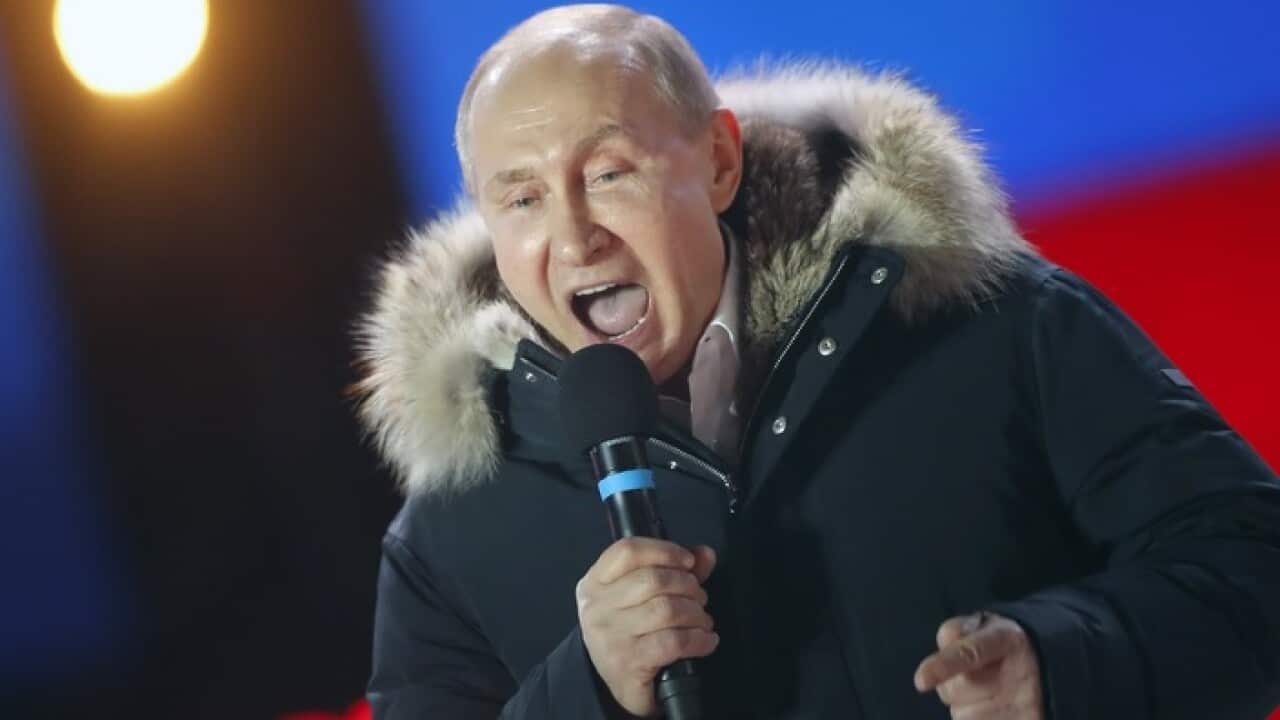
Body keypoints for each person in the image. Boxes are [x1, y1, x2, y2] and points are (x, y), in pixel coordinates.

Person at [354, 5, 1280, 718]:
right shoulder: (448, 537)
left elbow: (1251, 564)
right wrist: (585, 689)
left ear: (718, 161)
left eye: (608, 174)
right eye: (520, 200)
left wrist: (1065, 665)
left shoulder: (993, 324)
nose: (575, 237)